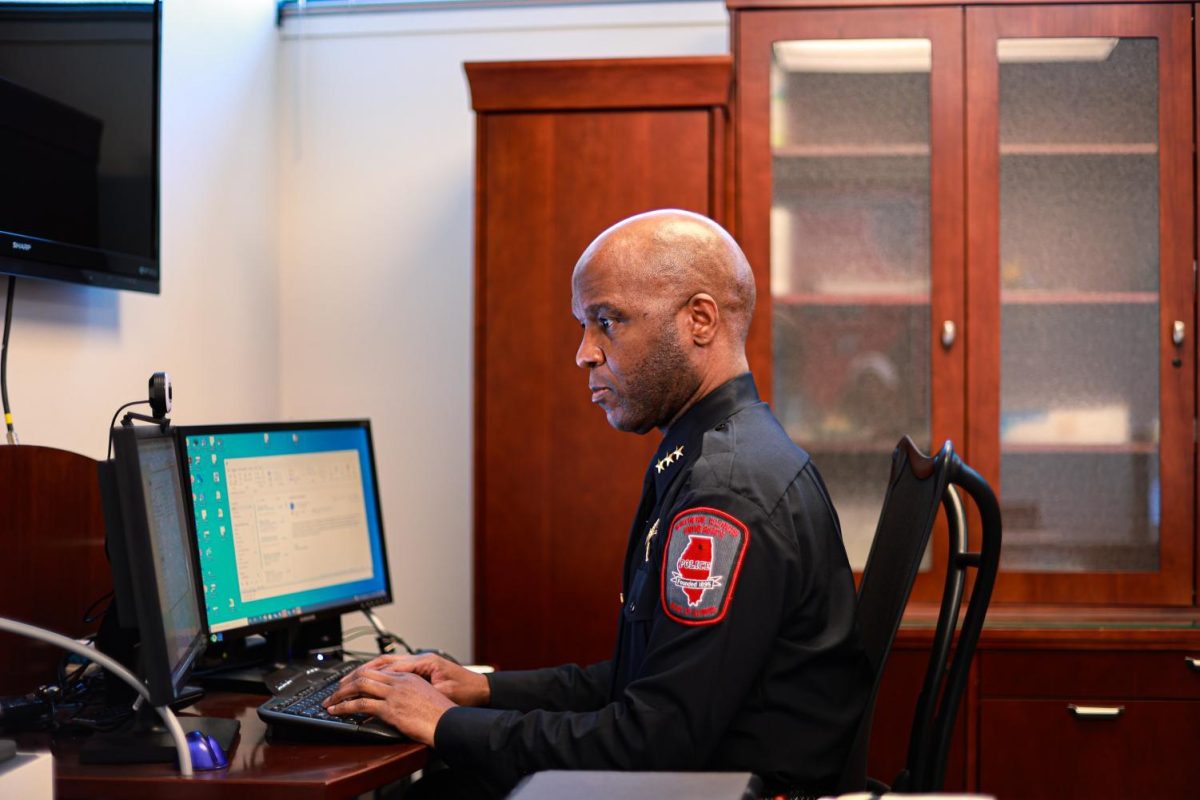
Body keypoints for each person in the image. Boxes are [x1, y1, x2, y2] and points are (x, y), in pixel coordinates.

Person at [324, 210, 870, 797]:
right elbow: (648, 683)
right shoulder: (717, 455)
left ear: (700, 321)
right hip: (704, 776)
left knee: (430, 788)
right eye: (584, 324)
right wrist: (481, 691)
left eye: (607, 321)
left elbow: (651, 744)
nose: (583, 353)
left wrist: (444, 722)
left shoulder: (726, 493)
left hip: (719, 789)